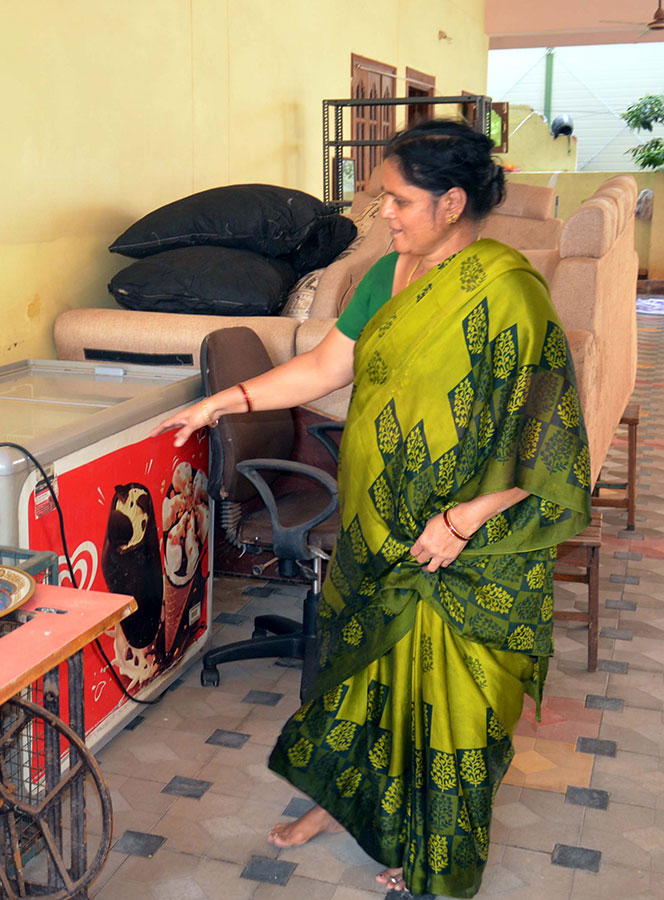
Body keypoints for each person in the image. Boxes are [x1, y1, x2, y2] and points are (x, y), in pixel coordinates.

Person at [152, 119, 591, 899]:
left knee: (459, 702)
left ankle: (433, 851)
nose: (382, 213)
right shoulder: (387, 275)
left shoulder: (508, 292)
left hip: (469, 541)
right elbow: (324, 366)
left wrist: (464, 519)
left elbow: (546, 433)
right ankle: (345, 805)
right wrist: (222, 402)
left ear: (451, 202)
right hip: (379, 524)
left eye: (397, 200)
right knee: (367, 678)